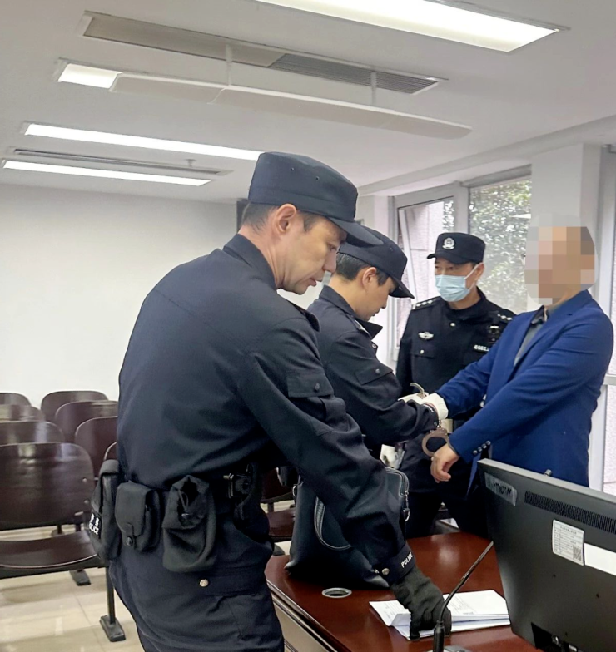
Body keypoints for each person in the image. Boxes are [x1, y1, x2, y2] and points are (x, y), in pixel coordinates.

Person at [112, 152, 450, 651]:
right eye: (330, 245)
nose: (331, 265)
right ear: (286, 220)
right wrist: (404, 572)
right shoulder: (267, 320)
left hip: (142, 552)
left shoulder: (179, 283)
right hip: (203, 576)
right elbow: (335, 461)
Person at [426, 224, 613, 488]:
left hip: (547, 476)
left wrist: (458, 443)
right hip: (498, 471)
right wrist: (433, 405)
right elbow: (479, 374)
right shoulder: (522, 323)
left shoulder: (590, 326)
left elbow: (525, 393)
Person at [396, 232, 514, 538]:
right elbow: (402, 383)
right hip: (421, 448)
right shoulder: (421, 316)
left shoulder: (503, 326)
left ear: (477, 270)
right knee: (402, 538)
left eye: (454, 268)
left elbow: (507, 399)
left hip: (472, 452)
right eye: (439, 267)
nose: (444, 275)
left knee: (485, 542)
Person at [308, 227, 447, 458]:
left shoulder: (317, 315)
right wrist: (431, 410)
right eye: (388, 291)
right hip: (339, 466)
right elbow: (388, 422)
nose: (384, 305)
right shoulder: (344, 336)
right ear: (369, 277)